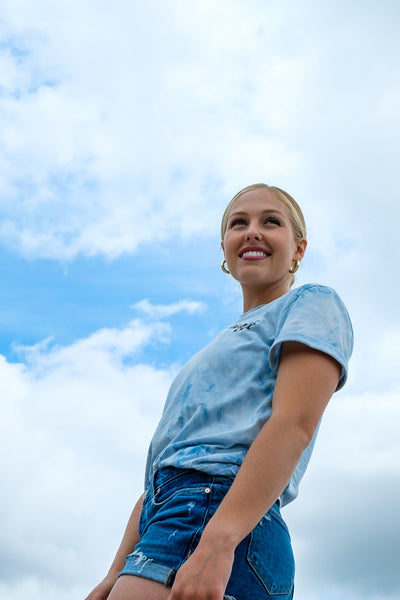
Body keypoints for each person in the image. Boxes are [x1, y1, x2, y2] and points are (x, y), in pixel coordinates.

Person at [85, 183, 353, 600]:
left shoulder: (310, 302)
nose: (252, 231)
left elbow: (294, 424)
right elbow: (163, 471)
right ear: (225, 250)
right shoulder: (214, 348)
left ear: (299, 249)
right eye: (238, 223)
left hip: (213, 513)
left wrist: (217, 541)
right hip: (173, 517)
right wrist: (114, 572)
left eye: (271, 221)